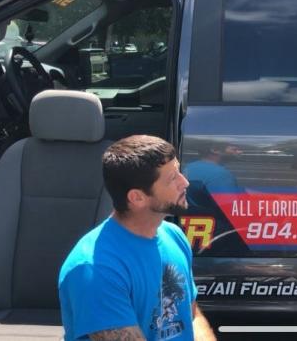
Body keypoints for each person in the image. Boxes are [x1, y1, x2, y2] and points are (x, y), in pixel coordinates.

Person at [58, 134, 215, 341]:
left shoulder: (173, 236)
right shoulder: (95, 268)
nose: (184, 182)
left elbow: (191, 316)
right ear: (137, 198)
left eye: (178, 171)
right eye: (172, 178)